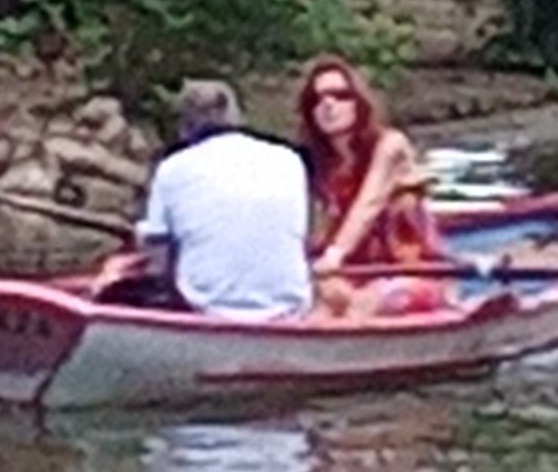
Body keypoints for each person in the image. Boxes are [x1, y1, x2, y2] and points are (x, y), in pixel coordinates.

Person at [129, 78, 313, 319]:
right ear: (237, 117)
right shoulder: (288, 159)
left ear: (185, 126)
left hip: (206, 310)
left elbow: (157, 251)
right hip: (291, 309)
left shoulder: (173, 168)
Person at [295, 56, 440, 283]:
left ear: (359, 103)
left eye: (341, 95)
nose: (328, 104)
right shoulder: (319, 163)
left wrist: (335, 255)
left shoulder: (391, 146)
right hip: (352, 276)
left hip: (412, 274)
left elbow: (368, 204)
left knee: (357, 306)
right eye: (316, 99)